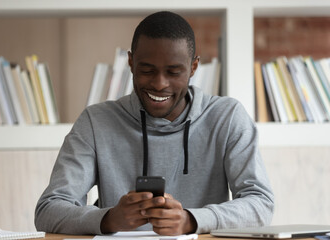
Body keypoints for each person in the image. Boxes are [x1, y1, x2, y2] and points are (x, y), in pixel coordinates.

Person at [35, 11, 274, 236]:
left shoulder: (227, 117)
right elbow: (48, 210)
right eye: (147, 70)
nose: (160, 84)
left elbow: (261, 204)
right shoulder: (96, 122)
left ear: (193, 67)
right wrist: (109, 219)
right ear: (130, 62)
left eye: (173, 72)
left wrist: (190, 220)